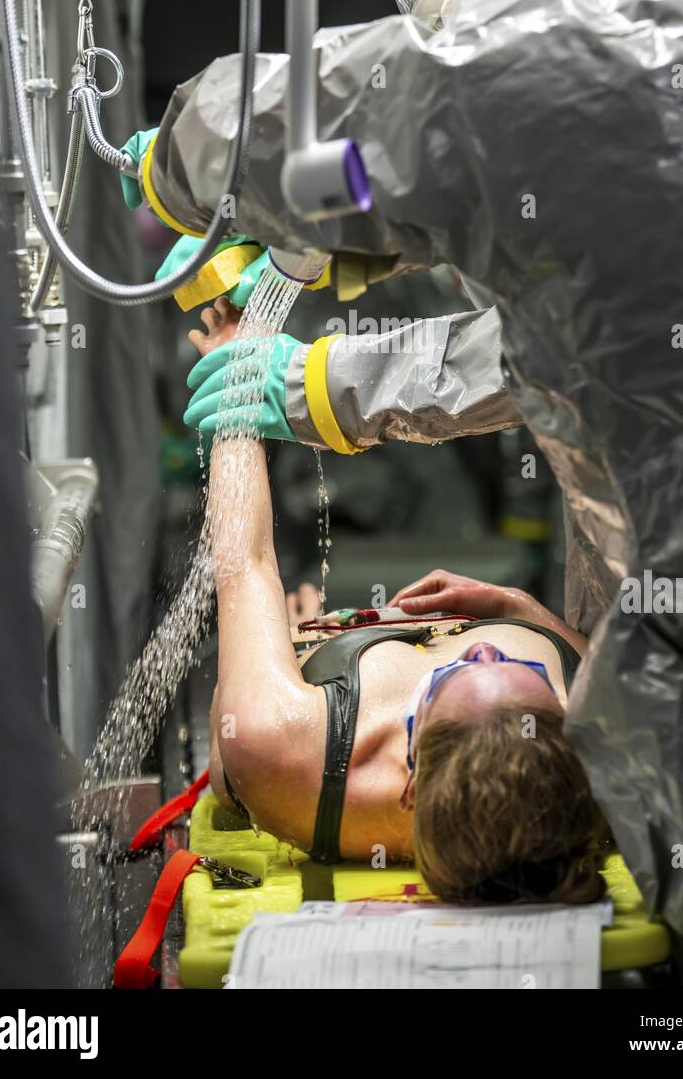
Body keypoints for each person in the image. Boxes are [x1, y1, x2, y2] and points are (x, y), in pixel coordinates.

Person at [126, 0, 683, 983]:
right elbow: (641, 344)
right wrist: (326, 382)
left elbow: (306, 131)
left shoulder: (576, 38)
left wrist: (173, 167)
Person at [196, 296, 605, 904]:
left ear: (410, 784)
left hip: (306, 698)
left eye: (464, 667)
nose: (484, 648)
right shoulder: (607, 744)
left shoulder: (283, 741)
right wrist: (521, 609)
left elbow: (244, 561)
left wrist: (238, 379)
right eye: (515, 665)